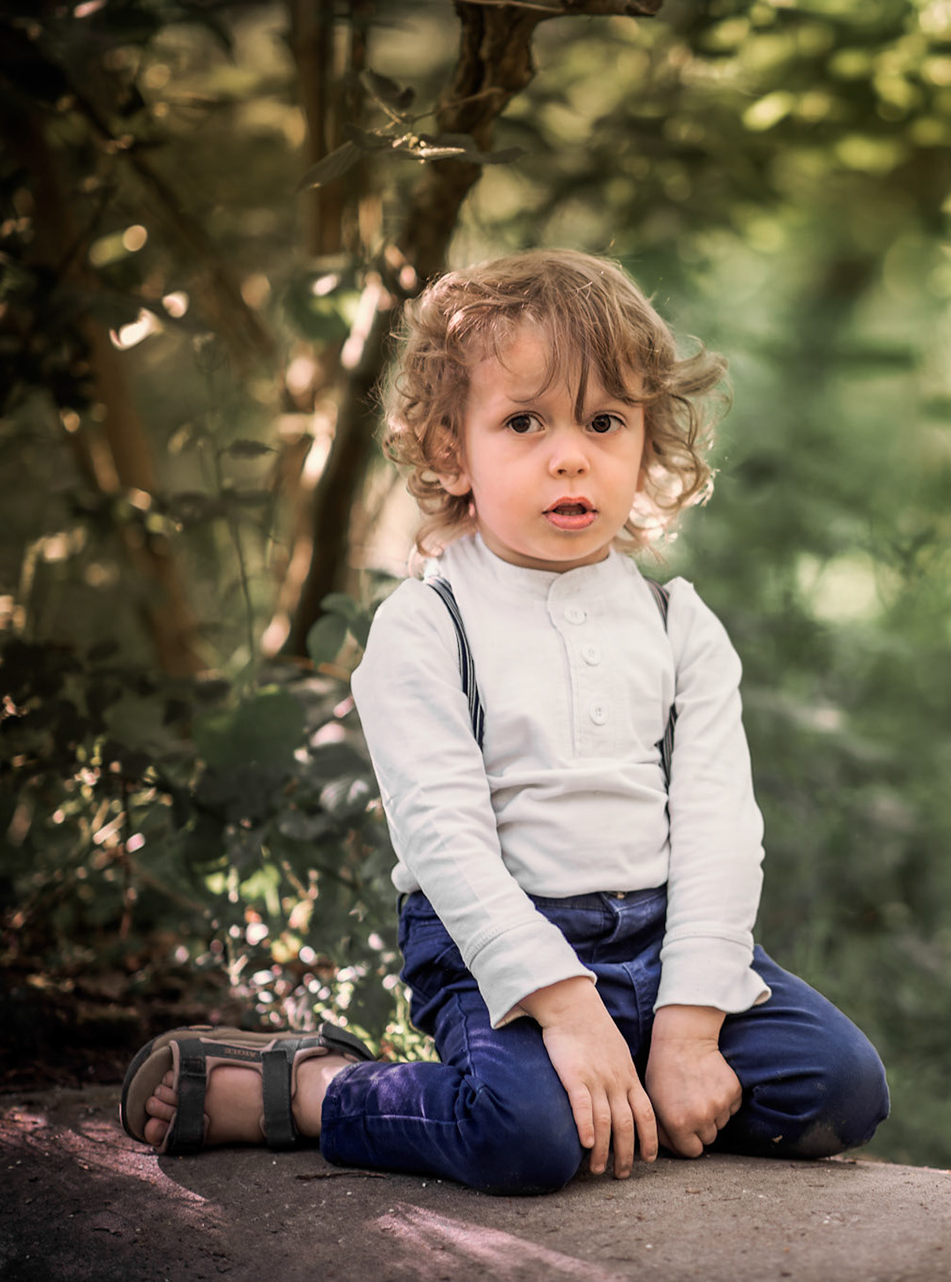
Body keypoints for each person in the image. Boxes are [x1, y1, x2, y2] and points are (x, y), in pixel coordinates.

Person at [119, 249, 890, 1194]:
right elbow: (445, 847)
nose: (571, 453)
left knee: (839, 1089)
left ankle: (642, 1075)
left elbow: (721, 832)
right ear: (452, 448)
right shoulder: (426, 625)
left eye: (605, 421)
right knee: (524, 1141)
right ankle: (315, 1088)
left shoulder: (677, 622)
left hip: (663, 940)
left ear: (646, 441)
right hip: (500, 949)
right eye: (524, 421)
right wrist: (566, 1010)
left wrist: (689, 1027)